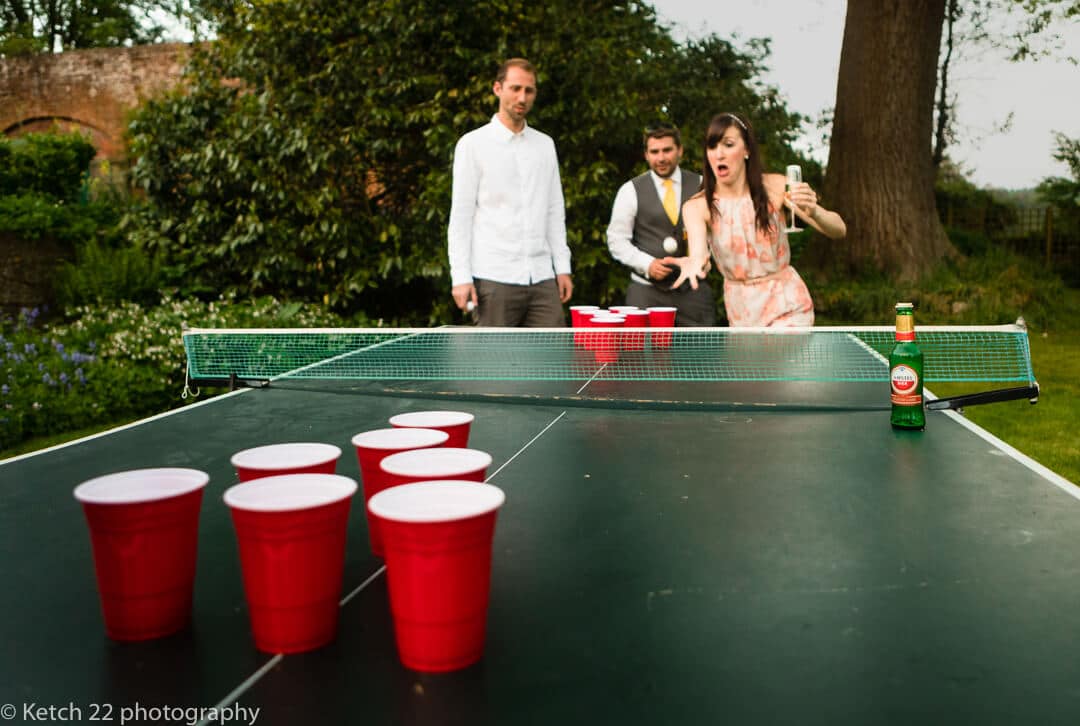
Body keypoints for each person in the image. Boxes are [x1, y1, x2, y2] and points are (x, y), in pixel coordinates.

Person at [672, 112, 846, 326]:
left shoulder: (777, 187)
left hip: (787, 304)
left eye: (728, 144)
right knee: (754, 362)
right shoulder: (697, 207)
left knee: (778, 358)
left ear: (746, 150)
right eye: (712, 147)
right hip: (741, 311)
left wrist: (814, 211)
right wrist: (696, 263)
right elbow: (698, 253)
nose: (719, 154)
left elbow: (839, 229)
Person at [447, 58, 573, 326]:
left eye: (529, 91)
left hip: (542, 277)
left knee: (553, 363)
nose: (522, 97)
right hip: (493, 277)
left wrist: (562, 267)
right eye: (515, 88)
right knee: (495, 365)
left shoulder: (545, 145)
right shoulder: (472, 145)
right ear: (497, 89)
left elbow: (554, 210)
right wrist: (460, 277)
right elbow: (461, 217)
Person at [605, 123, 716, 325]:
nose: (661, 158)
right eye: (654, 152)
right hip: (645, 294)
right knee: (641, 356)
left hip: (694, 293)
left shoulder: (702, 185)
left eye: (667, 150)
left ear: (680, 150)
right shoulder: (630, 190)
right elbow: (616, 241)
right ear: (646, 154)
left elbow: (717, 234)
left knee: (699, 355)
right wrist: (647, 264)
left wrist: (704, 260)